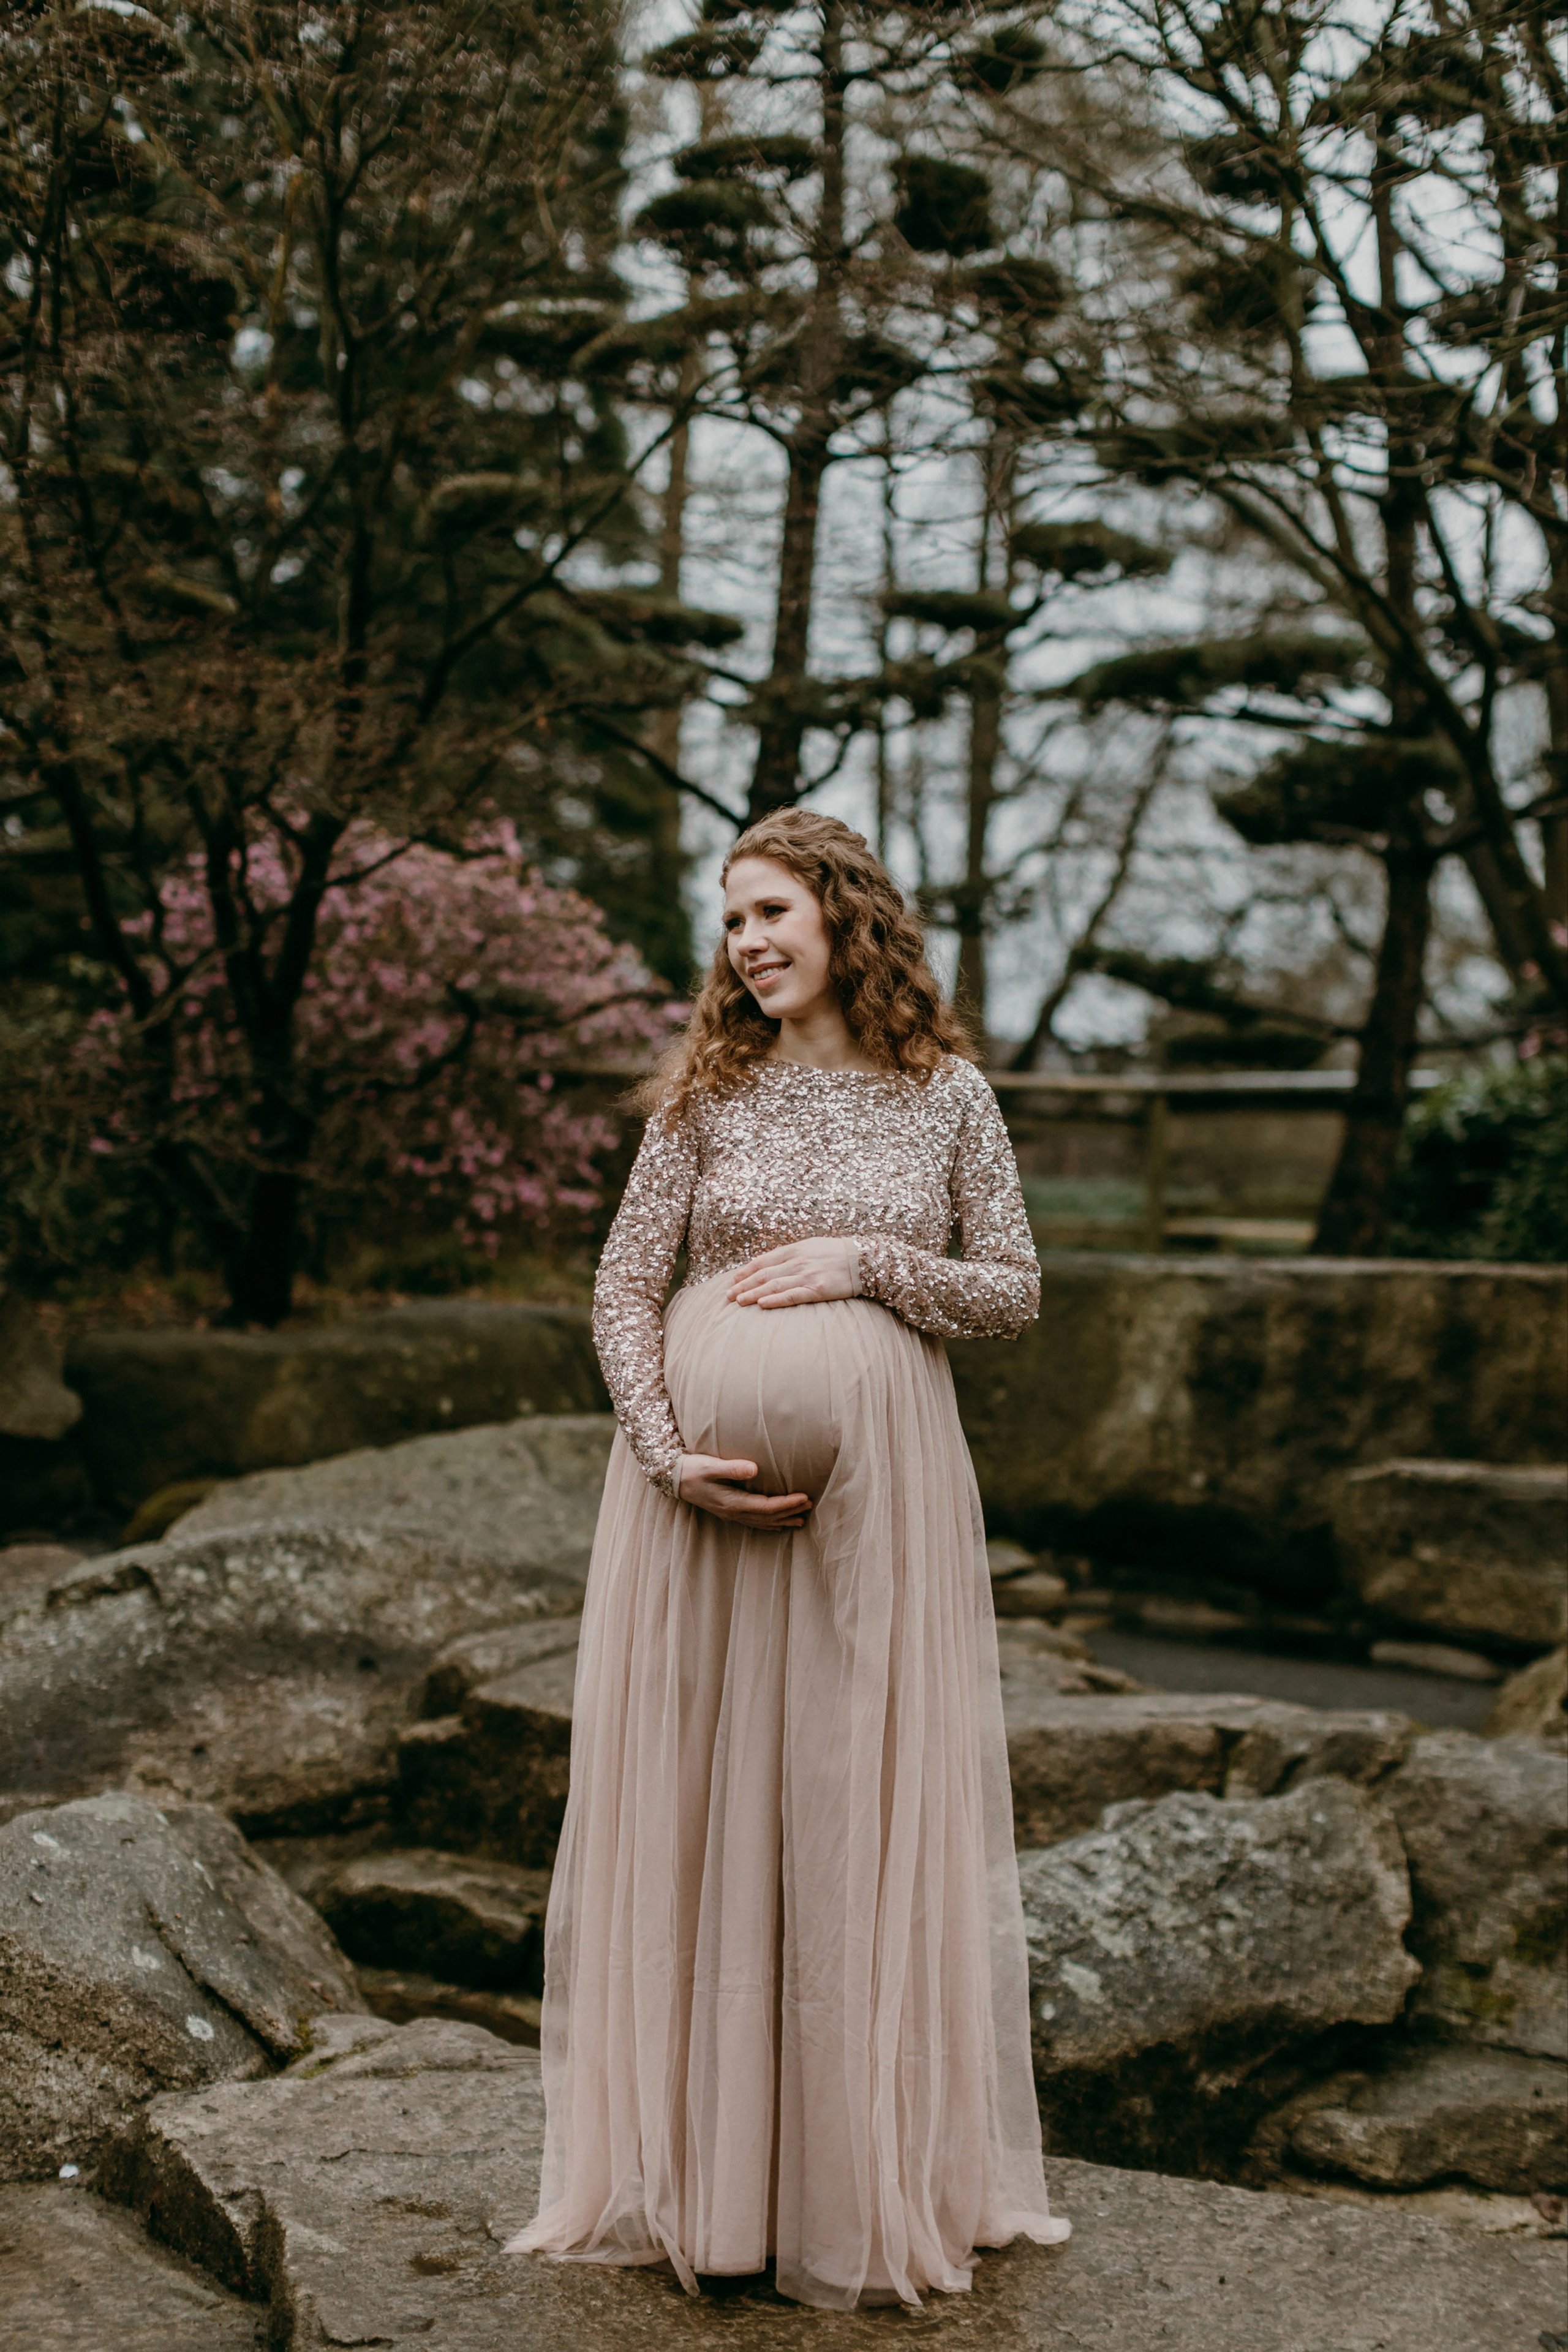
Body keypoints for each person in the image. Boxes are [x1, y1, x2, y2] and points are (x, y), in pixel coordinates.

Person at [507, 808, 1071, 2310]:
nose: (747, 943)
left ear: (843, 915)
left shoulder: (946, 1097)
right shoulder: (706, 1093)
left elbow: (1011, 1290)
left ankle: (850, 2177)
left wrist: (861, 1265)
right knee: (707, 1813)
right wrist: (658, 1444)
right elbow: (625, 1287)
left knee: (848, 1801)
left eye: (770, 912)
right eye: (730, 920)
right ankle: (715, 2188)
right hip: (690, 1514)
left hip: (883, 1511)